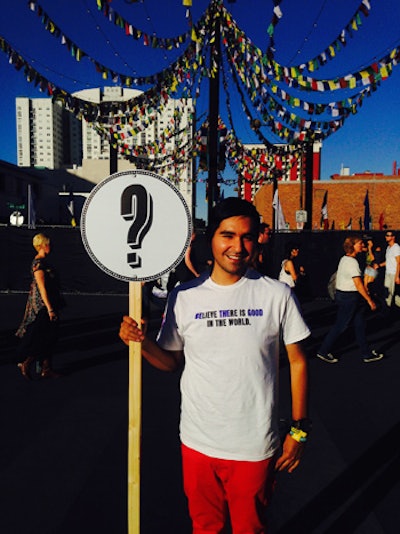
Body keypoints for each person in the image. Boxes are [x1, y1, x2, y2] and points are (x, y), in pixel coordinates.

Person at [120, 197, 311, 533]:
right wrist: (141, 341)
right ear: (212, 238)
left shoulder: (277, 294)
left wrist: (298, 430)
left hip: (254, 446)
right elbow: (171, 362)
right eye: (228, 235)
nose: (238, 246)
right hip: (197, 443)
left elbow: (297, 362)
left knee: (249, 528)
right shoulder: (185, 295)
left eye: (247, 236)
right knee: (205, 527)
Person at [317, 234, 384, 364]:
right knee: (340, 325)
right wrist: (370, 300)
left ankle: (366, 354)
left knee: (359, 325)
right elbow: (358, 284)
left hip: (345, 296)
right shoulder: (352, 263)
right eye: (359, 243)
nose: (362, 245)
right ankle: (323, 351)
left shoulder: (344, 259)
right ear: (352, 246)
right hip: (349, 297)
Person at [15, 233, 62, 379]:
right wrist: (50, 309)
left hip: (50, 303)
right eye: (48, 244)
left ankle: (45, 368)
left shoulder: (44, 262)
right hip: (43, 307)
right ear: (42, 246)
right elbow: (42, 288)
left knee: (51, 336)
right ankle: (27, 362)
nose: (51, 247)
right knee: (43, 337)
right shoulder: (39, 264)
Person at [375, 230, 400, 309]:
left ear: (393, 237)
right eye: (386, 235)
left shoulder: (396, 248)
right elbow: (388, 261)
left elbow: (398, 263)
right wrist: (379, 265)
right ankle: (387, 308)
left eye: (388, 235)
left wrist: (397, 276)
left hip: (393, 273)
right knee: (389, 293)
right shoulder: (388, 248)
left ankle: (386, 310)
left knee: (389, 293)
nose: (386, 237)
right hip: (388, 273)